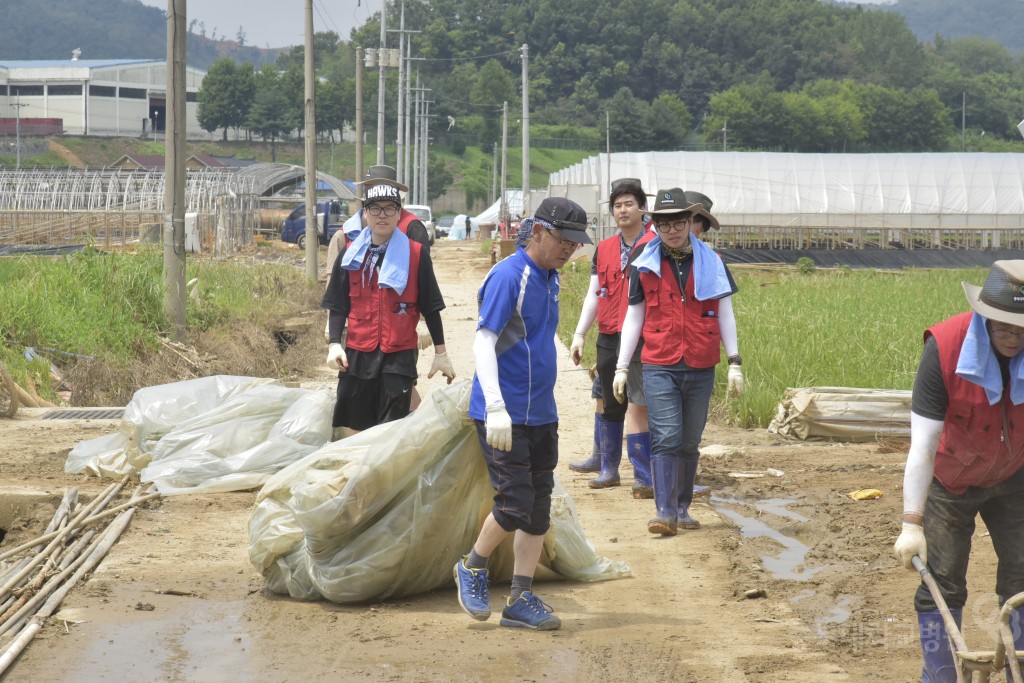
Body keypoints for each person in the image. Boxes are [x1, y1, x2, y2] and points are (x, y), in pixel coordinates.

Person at [453, 197, 592, 631]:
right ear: (537, 232)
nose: (570, 250)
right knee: (515, 504)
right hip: (503, 414)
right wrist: (494, 406)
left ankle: (520, 599)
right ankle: (472, 566)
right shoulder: (508, 276)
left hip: (541, 413)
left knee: (538, 510)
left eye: (575, 244)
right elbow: (483, 341)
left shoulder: (550, 278)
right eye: (563, 240)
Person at [893, 260, 1024, 682]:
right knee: (943, 580)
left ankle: (1019, 666)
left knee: (1023, 576)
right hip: (952, 480)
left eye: (1022, 329)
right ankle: (940, 673)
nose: (1013, 337)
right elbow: (924, 444)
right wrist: (911, 522)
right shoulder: (946, 347)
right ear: (984, 315)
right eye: (1004, 327)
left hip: (1016, 473)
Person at [613, 188, 744, 535]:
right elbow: (633, 316)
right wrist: (622, 366)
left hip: (701, 363)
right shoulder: (644, 261)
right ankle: (664, 512)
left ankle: (683, 508)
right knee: (667, 436)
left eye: (679, 222)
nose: (672, 230)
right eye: (665, 223)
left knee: (689, 441)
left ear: (690, 222)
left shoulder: (712, 261)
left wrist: (734, 361)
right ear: (655, 224)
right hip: (659, 363)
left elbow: (725, 314)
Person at [321, 181, 455, 433]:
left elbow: (431, 306)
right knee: (355, 429)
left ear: (399, 213)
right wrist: (335, 343)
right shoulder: (350, 255)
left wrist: (441, 352)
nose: (382, 215)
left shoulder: (415, 254)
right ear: (365, 213)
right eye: (375, 208)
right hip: (358, 354)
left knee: (392, 430)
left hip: (398, 354)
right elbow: (338, 303)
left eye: (390, 209)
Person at [568, 178, 657, 497]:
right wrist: (579, 334)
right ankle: (608, 467)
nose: (623, 210)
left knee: (639, 402)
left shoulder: (654, 244)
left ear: (642, 207)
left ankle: (644, 474)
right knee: (608, 399)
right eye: (617, 205)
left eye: (628, 204)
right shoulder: (604, 247)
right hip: (608, 333)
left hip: (643, 337)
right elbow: (594, 294)